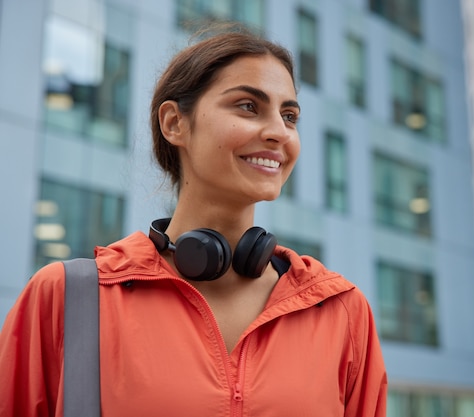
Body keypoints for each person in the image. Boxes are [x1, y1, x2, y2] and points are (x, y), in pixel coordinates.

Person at [0, 23, 387, 416]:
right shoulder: (68, 297)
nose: (278, 132)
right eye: (248, 106)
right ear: (174, 123)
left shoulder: (342, 311)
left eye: (289, 116)